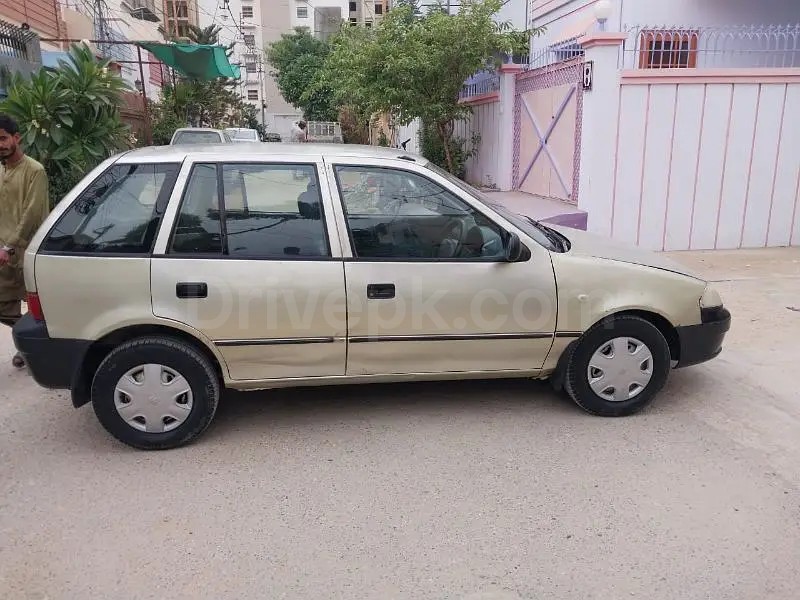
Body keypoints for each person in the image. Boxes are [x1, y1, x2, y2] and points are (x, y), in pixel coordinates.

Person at [0, 114, 50, 368]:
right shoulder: (1, 170)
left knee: (36, 305)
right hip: (4, 252)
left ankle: (36, 346)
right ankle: (27, 340)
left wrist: (10, 246)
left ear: (16, 138)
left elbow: (32, 213)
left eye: (3, 138)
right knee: (3, 303)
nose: (0, 144)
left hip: (27, 250)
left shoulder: (35, 171)